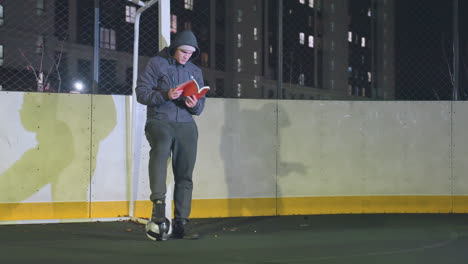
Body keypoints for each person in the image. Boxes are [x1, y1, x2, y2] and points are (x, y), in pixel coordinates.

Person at [136, 30, 206, 240]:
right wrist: (166, 95)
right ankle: (158, 208)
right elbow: (141, 93)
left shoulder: (194, 70)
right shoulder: (157, 63)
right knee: (161, 150)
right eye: (183, 51)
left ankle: (181, 222)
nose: (186, 56)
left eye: (190, 53)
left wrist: (194, 104)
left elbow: (200, 107)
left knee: (185, 173)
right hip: (160, 120)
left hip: (186, 123)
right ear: (175, 48)